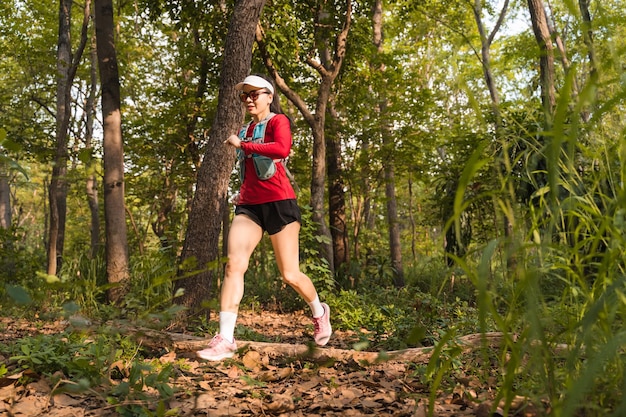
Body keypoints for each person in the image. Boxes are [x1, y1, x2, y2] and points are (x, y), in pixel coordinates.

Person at [197, 74, 332, 361]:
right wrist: (241, 191)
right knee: (234, 264)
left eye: (254, 94)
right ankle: (226, 338)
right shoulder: (245, 130)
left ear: (269, 96)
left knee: (290, 274)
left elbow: (282, 149)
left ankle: (319, 312)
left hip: (280, 204)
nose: (248, 99)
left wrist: (243, 146)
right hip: (250, 207)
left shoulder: (277, 121)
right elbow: (252, 171)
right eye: (244, 95)